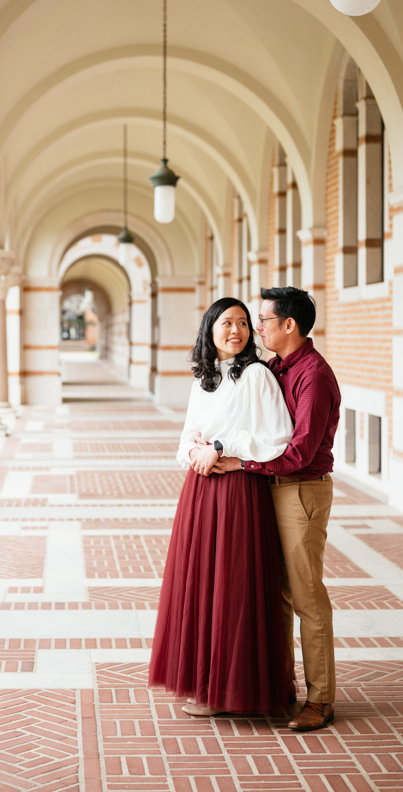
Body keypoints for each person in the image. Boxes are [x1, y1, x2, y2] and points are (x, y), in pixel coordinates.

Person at [148, 297, 294, 716]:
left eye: (244, 323)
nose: (237, 331)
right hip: (199, 490)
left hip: (238, 491)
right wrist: (194, 452)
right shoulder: (203, 380)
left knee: (233, 588)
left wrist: (220, 447)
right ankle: (206, 684)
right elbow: (185, 437)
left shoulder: (256, 376)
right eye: (227, 323)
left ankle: (231, 691)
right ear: (209, 330)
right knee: (201, 586)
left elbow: (277, 436)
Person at [207, 287, 341, 733]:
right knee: (274, 594)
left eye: (262, 319)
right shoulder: (275, 368)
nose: (255, 327)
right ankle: (278, 688)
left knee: (306, 596)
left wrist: (241, 463)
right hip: (270, 486)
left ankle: (320, 701)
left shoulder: (314, 376)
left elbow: (300, 451)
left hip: (300, 489)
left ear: (289, 325)